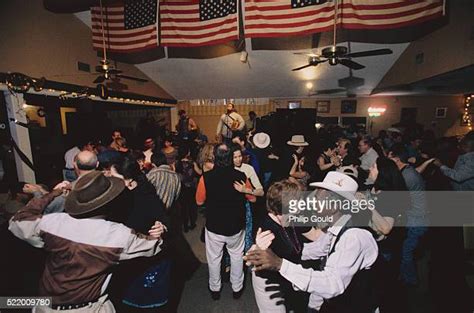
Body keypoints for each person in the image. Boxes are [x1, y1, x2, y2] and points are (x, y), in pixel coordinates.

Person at [8, 171, 166, 312]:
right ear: (109, 202)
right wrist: (159, 231)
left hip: (46, 306)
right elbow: (153, 246)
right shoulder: (118, 235)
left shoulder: (52, 222)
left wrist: (52, 193)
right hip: (89, 308)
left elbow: (17, 221)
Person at [246, 172, 379, 313]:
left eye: (317, 199)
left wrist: (280, 264)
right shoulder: (338, 227)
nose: (312, 204)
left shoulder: (353, 237)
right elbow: (320, 249)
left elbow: (332, 283)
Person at [110, 155, 170, 311]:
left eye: (115, 177)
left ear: (129, 180)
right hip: (123, 259)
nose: (110, 180)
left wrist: (162, 226)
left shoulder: (145, 194)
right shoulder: (115, 194)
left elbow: (163, 218)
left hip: (144, 259)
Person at [195, 144, 255, 300]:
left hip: (214, 226)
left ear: (215, 157)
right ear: (230, 158)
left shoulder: (206, 177)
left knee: (214, 258)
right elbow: (253, 198)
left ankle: (215, 289)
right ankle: (237, 288)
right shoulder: (241, 176)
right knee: (236, 257)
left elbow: (199, 202)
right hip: (236, 226)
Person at [251, 179, 315, 313]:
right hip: (269, 283)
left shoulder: (290, 219)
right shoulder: (267, 230)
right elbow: (257, 255)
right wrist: (258, 249)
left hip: (286, 278)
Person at [388, 143, 428, 286]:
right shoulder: (407, 171)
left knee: (406, 253)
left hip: (416, 220)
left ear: (397, 160)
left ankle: (410, 283)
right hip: (415, 217)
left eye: (389, 158)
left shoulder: (407, 176)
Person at [176, 144, 198, 233]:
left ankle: (185, 226)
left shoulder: (177, 163)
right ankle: (192, 223)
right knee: (192, 207)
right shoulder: (191, 163)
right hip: (190, 188)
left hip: (182, 188)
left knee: (183, 208)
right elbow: (195, 174)